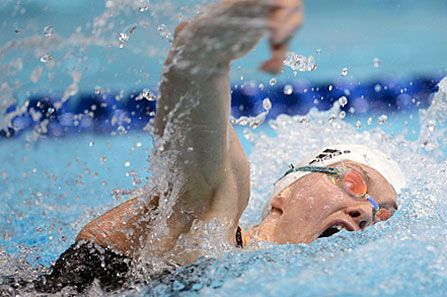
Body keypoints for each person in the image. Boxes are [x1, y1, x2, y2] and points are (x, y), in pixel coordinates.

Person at [32, 0, 406, 293]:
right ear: (286, 193)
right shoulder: (216, 213)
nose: (366, 212)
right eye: (355, 183)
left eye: (382, 214)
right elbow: (196, 62)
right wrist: (248, 15)